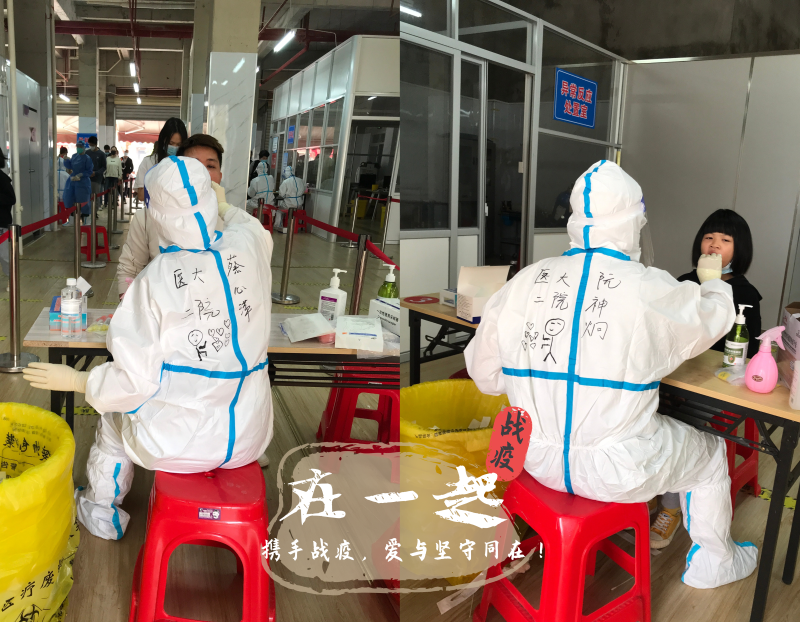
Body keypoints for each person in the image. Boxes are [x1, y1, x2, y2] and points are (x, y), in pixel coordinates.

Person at [464, 160, 758, 589]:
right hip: (617, 470)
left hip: (535, 457)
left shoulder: (524, 281)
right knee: (712, 454)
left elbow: (486, 377)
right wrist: (712, 283)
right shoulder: (648, 285)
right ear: (633, 222)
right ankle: (715, 564)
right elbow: (709, 319)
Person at [24, 156, 275, 541]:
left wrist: (77, 380)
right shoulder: (249, 245)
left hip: (181, 443)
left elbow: (132, 383)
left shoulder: (156, 279)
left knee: (113, 417)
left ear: (156, 214)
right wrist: (223, 205)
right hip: (248, 436)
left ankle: (101, 512)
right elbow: (249, 225)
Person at [650, 210, 763, 549]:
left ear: (739, 250)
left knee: (682, 427)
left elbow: (747, 350)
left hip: (714, 387)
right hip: (675, 377)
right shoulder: (684, 282)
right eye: (709, 238)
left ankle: (670, 506)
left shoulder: (745, 293)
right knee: (642, 411)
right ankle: (649, 486)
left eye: (725, 240)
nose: (714, 245)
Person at [117, 133, 228, 301]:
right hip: (160, 309)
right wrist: (128, 306)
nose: (202, 173)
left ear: (220, 175)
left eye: (210, 166)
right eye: (193, 165)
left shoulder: (232, 221)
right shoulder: (147, 217)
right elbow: (129, 269)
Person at [133, 117, 188, 203]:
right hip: (154, 210)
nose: (174, 147)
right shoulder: (149, 162)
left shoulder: (187, 163)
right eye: (171, 143)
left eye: (178, 144)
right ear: (163, 140)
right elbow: (141, 196)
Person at [62, 140, 93, 225]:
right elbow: (70, 166)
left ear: (83, 147)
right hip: (72, 181)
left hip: (83, 182)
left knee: (84, 201)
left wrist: (81, 175)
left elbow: (89, 171)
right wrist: (66, 160)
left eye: (80, 147)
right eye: (77, 147)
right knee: (69, 198)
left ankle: (86, 221)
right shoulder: (74, 156)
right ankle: (71, 221)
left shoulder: (87, 158)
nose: (78, 148)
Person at [0, 150, 16, 289]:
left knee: (4, 255)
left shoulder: (2, 179)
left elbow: (12, 199)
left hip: (1, 223)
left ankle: (12, 280)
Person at [276, 165, 303, 230]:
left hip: (289, 204)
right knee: (297, 212)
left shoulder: (286, 182)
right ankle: (296, 226)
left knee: (279, 211)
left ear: (286, 172)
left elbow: (281, 194)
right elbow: (303, 190)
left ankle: (277, 226)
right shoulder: (300, 180)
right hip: (299, 205)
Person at [86, 136, 107, 213]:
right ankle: (88, 212)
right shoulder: (87, 153)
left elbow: (104, 167)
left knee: (95, 196)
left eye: (92, 145)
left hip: (97, 179)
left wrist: (96, 173)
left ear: (95, 144)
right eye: (89, 144)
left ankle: (95, 212)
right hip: (87, 178)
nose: (90, 146)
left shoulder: (101, 154)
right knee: (87, 196)